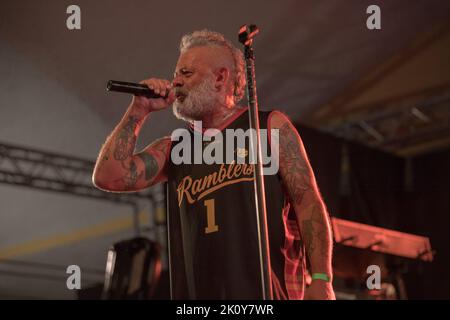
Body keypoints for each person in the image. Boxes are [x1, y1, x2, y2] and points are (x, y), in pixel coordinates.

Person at [93, 29, 335, 300]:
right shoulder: (175, 147)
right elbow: (108, 177)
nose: (176, 82)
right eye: (176, 74)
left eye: (186, 73)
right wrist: (138, 111)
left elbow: (308, 203)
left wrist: (322, 279)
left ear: (220, 78)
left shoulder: (267, 126)